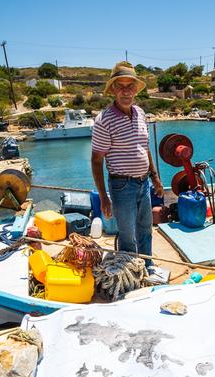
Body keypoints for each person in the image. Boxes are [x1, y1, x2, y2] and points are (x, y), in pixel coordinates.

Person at [91, 61, 163, 271]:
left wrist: (155, 177)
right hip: (122, 187)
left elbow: (145, 147)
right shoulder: (104, 120)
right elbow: (97, 160)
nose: (125, 91)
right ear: (113, 89)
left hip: (144, 184)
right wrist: (103, 196)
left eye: (129, 86)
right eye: (120, 86)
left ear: (135, 89)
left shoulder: (140, 113)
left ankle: (147, 267)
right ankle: (129, 271)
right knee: (128, 235)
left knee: (145, 229)